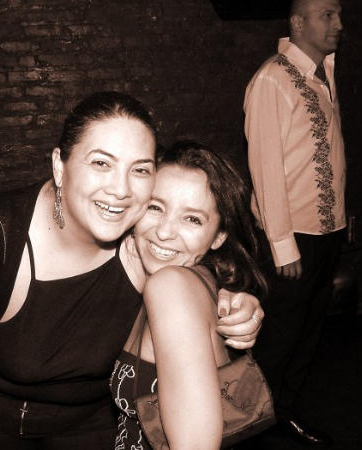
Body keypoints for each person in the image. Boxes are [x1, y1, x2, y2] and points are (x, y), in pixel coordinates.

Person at [0, 91, 265, 450]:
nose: (120, 190)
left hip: (89, 424)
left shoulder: (141, 239)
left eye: (139, 169)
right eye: (101, 163)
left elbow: (188, 256)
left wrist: (230, 300)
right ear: (60, 166)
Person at [110, 141, 267, 449]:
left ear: (219, 236)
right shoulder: (199, 278)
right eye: (156, 207)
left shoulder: (169, 286)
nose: (164, 232)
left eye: (192, 219)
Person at [243, 0, 346, 446]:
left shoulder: (324, 72)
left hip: (326, 234)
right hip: (290, 240)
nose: (338, 24)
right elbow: (266, 169)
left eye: (339, 14)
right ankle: (251, 431)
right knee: (277, 342)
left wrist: (340, 223)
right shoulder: (273, 79)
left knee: (307, 336)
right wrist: (283, 245)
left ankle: (284, 417)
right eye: (327, 15)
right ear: (298, 23)